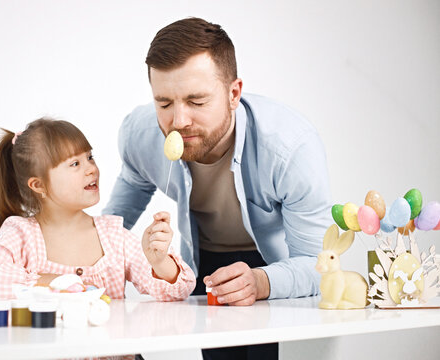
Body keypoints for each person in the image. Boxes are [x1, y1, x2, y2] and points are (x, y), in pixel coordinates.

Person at [103, 17, 332, 359]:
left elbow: (319, 265)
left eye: (196, 101)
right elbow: (109, 228)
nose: (178, 122)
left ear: (234, 93)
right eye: (164, 103)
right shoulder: (139, 134)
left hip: (270, 264)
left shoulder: (291, 147)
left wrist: (262, 282)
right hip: (199, 257)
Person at [0, 118, 195, 306]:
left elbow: (180, 291)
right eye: (75, 164)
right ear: (38, 185)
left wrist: (160, 261)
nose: (90, 169)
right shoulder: (21, 235)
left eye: (89, 157)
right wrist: (53, 283)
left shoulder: (114, 236)